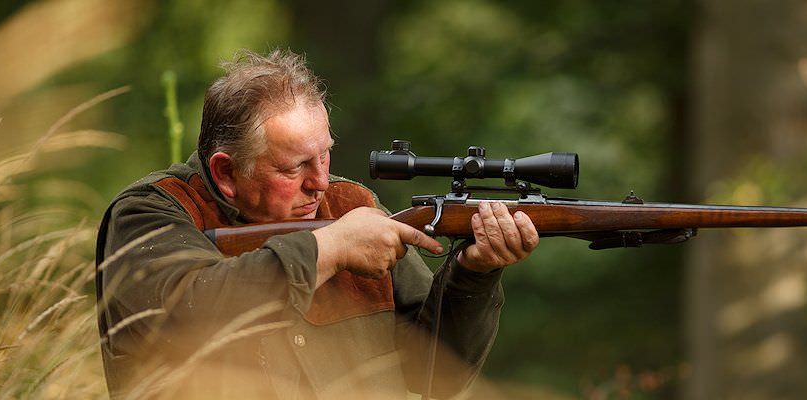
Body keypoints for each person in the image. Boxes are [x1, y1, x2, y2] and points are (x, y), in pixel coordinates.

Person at [94, 48, 539, 399]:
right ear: (227, 173)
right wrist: (329, 249)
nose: (321, 183)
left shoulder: (351, 205)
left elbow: (435, 375)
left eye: (325, 153)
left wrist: (473, 273)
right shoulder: (150, 214)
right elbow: (187, 316)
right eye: (294, 167)